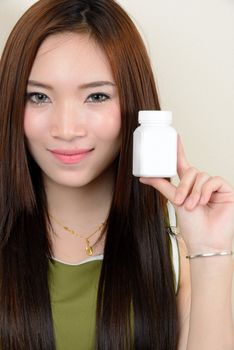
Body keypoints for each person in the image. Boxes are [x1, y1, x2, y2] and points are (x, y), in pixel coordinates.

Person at [0, 0, 233, 349]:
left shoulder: (176, 259)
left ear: (133, 105)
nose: (66, 128)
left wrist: (211, 253)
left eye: (96, 96)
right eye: (38, 96)